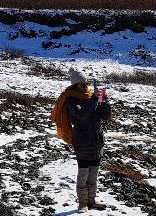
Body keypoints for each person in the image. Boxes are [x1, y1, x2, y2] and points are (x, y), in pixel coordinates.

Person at [50, 69, 112, 212]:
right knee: (83, 174)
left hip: (97, 141)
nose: (86, 85)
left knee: (94, 174)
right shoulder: (70, 99)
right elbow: (81, 114)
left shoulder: (90, 96)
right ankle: (82, 204)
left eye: (86, 82)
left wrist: (104, 101)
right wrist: (95, 99)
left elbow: (106, 117)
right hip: (82, 142)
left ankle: (91, 201)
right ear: (75, 84)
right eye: (82, 83)